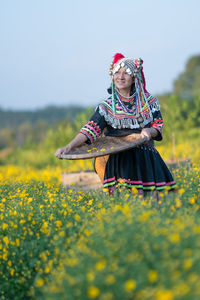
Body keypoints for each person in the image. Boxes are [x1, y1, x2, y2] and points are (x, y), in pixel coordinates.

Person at [55, 53, 176, 195]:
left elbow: (157, 126)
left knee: (157, 204)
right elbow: (89, 130)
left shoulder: (149, 102)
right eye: (117, 73)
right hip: (119, 163)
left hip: (146, 160)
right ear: (112, 77)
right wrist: (69, 146)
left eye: (126, 73)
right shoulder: (106, 107)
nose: (121, 77)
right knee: (125, 204)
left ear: (134, 77)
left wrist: (149, 132)